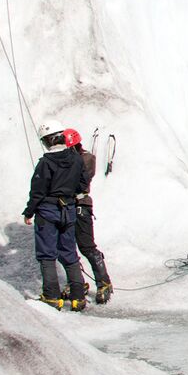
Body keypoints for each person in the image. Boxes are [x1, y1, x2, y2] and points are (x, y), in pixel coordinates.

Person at [22, 119, 89, 310]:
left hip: (47, 211)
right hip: (68, 209)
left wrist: (29, 212)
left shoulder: (46, 163)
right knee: (69, 252)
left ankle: (52, 296)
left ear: (47, 141)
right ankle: (78, 297)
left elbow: (37, 191)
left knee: (47, 254)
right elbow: (83, 184)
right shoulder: (76, 158)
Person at [63, 128, 113, 304]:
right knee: (66, 248)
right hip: (65, 207)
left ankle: (103, 281)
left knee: (86, 246)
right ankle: (77, 281)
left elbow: (81, 180)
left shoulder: (86, 158)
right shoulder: (66, 159)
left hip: (80, 206)